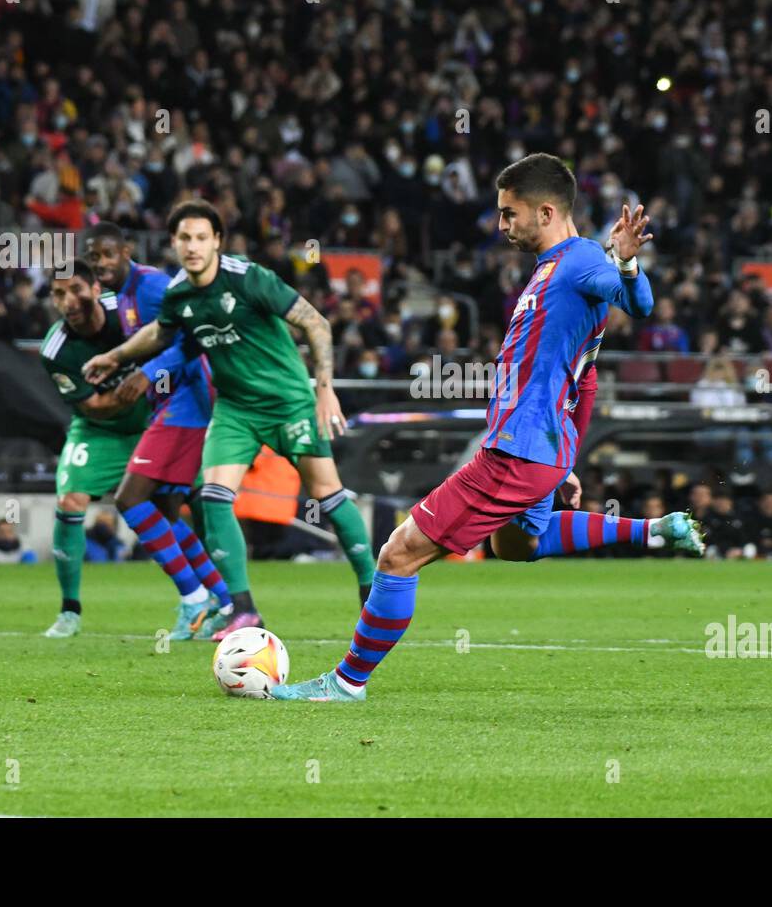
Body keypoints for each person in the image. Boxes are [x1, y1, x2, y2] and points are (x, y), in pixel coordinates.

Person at [269, 154, 703, 701]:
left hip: (516, 452)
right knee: (519, 544)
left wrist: (625, 262)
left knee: (398, 554)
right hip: (541, 450)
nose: (500, 225)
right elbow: (585, 379)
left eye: (508, 213)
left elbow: (638, 304)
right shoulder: (553, 270)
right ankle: (656, 531)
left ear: (545, 211)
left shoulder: (581, 263)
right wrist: (564, 462)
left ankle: (346, 682)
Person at [83, 200, 378, 641]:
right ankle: (244, 610)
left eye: (202, 237)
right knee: (214, 496)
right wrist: (116, 356)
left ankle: (374, 591)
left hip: (289, 401)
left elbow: (316, 324)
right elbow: (164, 334)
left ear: (217, 241)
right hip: (235, 409)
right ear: (174, 243)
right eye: (185, 238)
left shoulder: (250, 278)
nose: (193, 246)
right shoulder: (180, 293)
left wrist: (324, 388)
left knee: (327, 495)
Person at [81, 220, 232, 640]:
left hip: (187, 403)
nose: (101, 263)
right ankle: (225, 601)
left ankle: (194, 598)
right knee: (165, 511)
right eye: (94, 257)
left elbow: (194, 339)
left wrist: (148, 373)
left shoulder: (152, 287)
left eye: (108, 254)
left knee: (130, 498)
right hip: (171, 403)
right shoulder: (124, 294)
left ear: (127, 250)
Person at [38, 259, 152, 638]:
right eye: (58, 293)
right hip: (98, 430)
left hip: (153, 423)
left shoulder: (130, 311)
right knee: (69, 501)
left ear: (96, 289)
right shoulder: (56, 349)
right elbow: (94, 407)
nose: (67, 300)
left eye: (75, 289)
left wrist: (152, 379)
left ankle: (213, 599)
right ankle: (69, 609)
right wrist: (138, 382)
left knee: (194, 500)